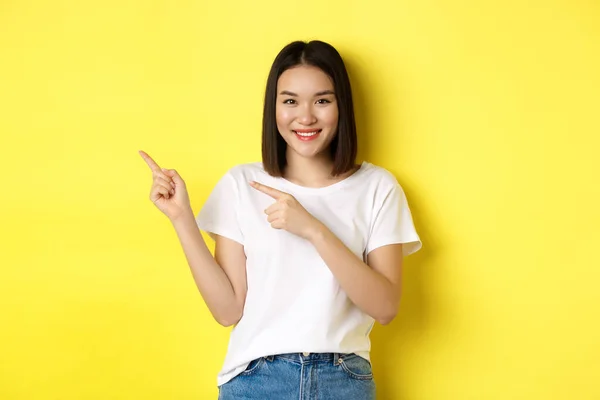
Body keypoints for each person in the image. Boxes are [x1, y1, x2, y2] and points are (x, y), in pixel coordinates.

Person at [140, 40, 421, 400]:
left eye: (322, 100)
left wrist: (314, 230)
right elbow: (227, 311)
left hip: (343, 380)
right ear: (273, 109)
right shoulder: (241, 184)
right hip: (257, 381)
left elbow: (385, 307)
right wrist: (181, 218)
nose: (305, 117)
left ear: (342, 106)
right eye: (290, 101)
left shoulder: (377, 187)